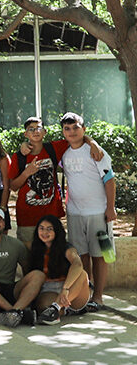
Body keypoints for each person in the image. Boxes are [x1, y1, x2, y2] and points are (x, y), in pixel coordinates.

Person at [8, 117, 102, 246]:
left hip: (51, 213)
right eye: (31, 129)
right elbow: (13, 186)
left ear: (45, 131)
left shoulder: (54, 148)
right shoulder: (19, 156)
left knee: (54, 253)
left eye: (39, 128)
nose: (36, 131)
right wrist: (26, 173)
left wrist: (93, 144)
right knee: (29, 256)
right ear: (26, 134)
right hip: (27, 216)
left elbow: (77, 137)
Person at [59, 112, 115, 310]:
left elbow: (109, 180)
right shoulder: (63, 153)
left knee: (101, 254)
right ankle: (86, 295)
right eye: (67, 128)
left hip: (98, 213)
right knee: (81, 255)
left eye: (76, 127)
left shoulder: (96, 152)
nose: (72, 131)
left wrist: (110, 208)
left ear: (84, 129)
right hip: (75, 213)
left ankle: (98, 297)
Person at [29, 215, 92, 325]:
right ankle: (57, 311)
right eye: (41, 228)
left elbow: (77, 264)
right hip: (49, 288)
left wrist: (65, 288)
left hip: (71, 288)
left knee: (82, 274)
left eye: (49, 229)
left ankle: (56, 308)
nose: (45, 232)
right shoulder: (35, 248)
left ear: (57, 231)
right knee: (42, 306)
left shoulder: (66, 248)